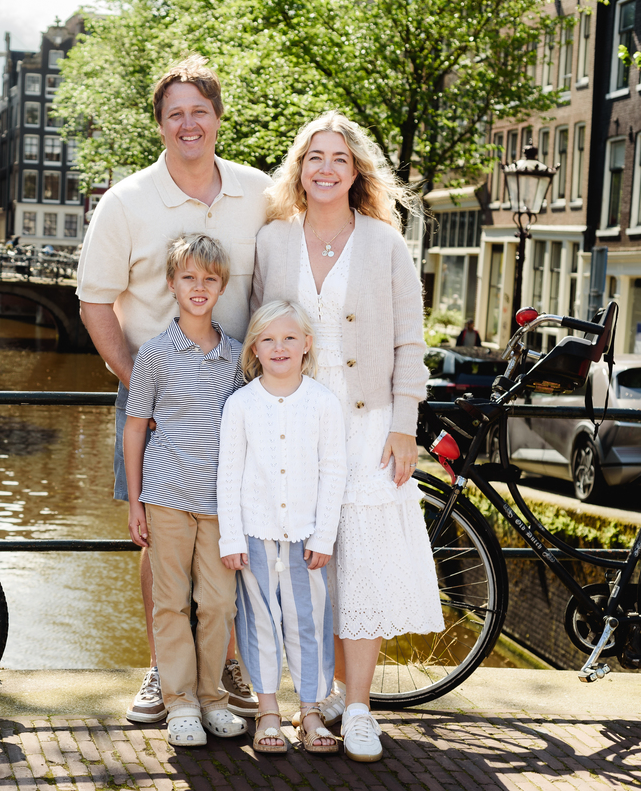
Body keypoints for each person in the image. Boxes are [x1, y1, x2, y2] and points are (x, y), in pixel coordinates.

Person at [76, 54, 270, 724]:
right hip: (156, 402)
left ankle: (227, 669)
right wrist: (140, 386)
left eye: (200, 110)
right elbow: (95, 302)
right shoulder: (125, 203)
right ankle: (164, 670)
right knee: (160, 542)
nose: (189, 123)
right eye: (175, 113)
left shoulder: (260, 193)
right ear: (159, 125)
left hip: (243, 403)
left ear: (218, 118)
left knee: (241, 537)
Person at [250, 110, 445, 762]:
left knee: (358, 564)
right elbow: (254, 334)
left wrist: (404, 423)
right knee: (310, 564)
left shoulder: (387, 244)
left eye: (338, 157)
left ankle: (359, 707)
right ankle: (322, 693)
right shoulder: (273, 240)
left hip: (365, 423)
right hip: (291, 420)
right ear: (299, 171)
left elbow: (410, 342)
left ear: (356, 169)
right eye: (314, 157)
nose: (326, 168)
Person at [123, 233, 248, 747]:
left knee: (219, 603)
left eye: (209, 279)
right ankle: (179, 705)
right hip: (167, 497)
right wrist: (135, 502)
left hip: (220, 505)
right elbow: (136, 427)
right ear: (172, 284)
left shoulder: (239, 358)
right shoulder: (155, 354)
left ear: (221, 288)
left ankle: (212, 697)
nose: (199, 287)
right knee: (171, 602)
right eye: (189, 278)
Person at [218, 300, 346, 755]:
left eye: (289, 337)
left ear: (307, 345)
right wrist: (231, 538)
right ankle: (268, 709)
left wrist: (325, 534)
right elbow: (228, 475)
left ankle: (311, 710)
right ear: (254, 347)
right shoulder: (241, 405)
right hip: (254, 535)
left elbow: (334, 470)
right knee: (260, 624)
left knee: (307, 624)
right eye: (268, 339)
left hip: (306, 538)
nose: (279, 347)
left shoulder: (322, 403)